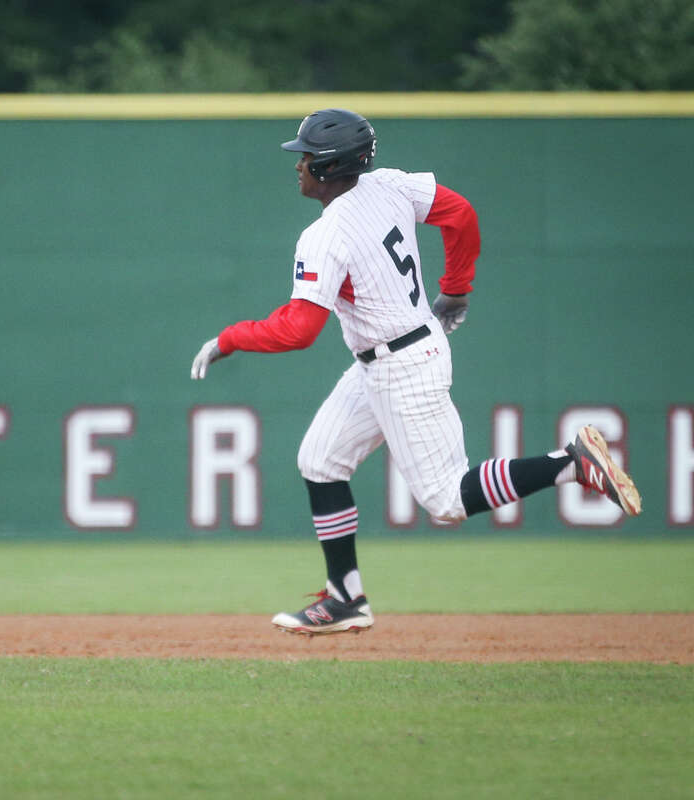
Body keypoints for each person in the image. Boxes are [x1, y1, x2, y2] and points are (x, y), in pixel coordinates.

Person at [189, 108, 641, 636]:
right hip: (388, 355)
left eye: (307, 157)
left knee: (447, 500)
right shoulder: (390, 186)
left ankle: (569, 463)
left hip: (403, 365)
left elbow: (298, 330)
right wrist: (458, 285)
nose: (300, 165)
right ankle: (345, 598)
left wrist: (230, 338)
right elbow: (461, 213)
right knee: (319, 460)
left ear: (330, 167)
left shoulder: (324, 235)